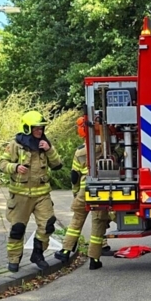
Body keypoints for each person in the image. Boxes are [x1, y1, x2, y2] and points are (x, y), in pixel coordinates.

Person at [0, 110, 63, 272]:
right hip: (20, 196)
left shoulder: (45, 145)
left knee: (47, 225)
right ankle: (14, 260)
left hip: (42, 194)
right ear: (27, 128)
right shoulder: (15, 145)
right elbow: (2, 163)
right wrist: (15, 167)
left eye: (41, 128)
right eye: (36, 129)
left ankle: (38, 254)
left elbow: (57, 165)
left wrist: (49, 150)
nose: (40, 131)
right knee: (17, 229)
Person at [55, 116, 113, 270]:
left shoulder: (80, 151)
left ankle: (66, 250)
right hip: (101, 191)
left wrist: (76, 194)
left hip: (83, 191)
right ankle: (94, 260)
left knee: (76, 221)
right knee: (98, 223)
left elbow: (75, 176)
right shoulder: (108, 146)